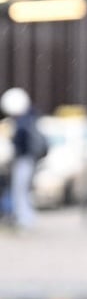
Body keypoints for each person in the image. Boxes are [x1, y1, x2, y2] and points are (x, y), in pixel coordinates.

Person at [1, 87, 43, 230]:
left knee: (20, 191)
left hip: (23, 160)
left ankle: (25, 220)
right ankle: (25, 218)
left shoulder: (22, 123)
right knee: (23, 191)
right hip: (28, 160)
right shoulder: (29, 118)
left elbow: (19, 143)